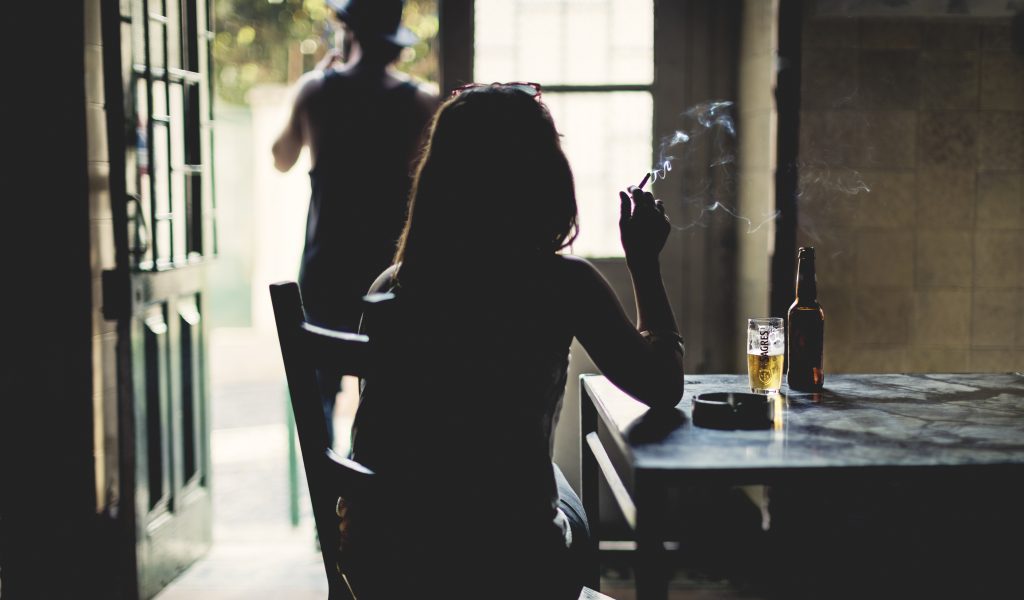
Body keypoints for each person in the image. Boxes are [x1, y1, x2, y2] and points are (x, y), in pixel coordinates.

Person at [342, 83, 686, 599]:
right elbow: (662, 385)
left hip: (383, 566)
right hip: (508, 569)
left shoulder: (391, 286)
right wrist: (642, 263)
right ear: (543, 180)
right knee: (563, 495)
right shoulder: (561, 284)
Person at [271, 0, 439, 448]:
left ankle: (329, 509)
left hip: (325, 270)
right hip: (393, 273)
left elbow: (281, 158)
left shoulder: (316, 92)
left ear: (349, 31)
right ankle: (371, 501)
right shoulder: (421, 102)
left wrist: (313, 85)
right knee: (390, 395)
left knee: (318, 399)